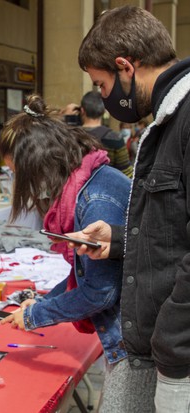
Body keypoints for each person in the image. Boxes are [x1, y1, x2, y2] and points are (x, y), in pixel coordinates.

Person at [69, 6, 190, 412]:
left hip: (177, 357)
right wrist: (119, 240)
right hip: (158, 352)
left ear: (125, 67)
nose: (104, 99)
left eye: (101, 86)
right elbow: (174, 226)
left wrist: (171, 334)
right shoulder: (168, 121)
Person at [0, 95, 152, 412]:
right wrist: (42, 302)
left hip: (132, 341)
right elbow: (82, 273)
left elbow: (99, 292)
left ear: (36, 165)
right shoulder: (86, 182)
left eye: (17, 173)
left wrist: (34, 315)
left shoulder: (94, 200)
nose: (19, 183)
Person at [80, 91, 134, 177]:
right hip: (106, 187)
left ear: (82, 110)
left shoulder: (70, 136)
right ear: (104, 111)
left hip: (76, 188)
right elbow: (126, 172)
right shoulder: (115, 138)